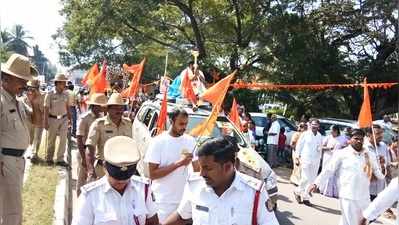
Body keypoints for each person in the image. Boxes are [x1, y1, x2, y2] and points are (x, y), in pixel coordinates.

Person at [163, 136, 280, 225]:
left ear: (228, 167)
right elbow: (181, 216)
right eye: (201, 167)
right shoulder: (195, 186)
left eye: (207, 168)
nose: (201, 173)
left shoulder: (255, 193)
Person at [72, 136, 159, 225]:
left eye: (126, 178)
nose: (121, 182)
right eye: (116, 178)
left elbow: (153, 221)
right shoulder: (90, 195)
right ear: (105, 167)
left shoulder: (143, 188)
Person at [309, 129, 386, 225]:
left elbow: (380, 176)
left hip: (364, 197)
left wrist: (382, 166)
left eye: (361, 139)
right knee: (351, 222)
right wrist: (316, 183)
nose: (359, 141)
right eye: (356, 138)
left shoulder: (370, 155)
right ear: (349, 140)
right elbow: (328, 170)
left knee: (356, 222)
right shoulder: (341, 153)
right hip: (348, 196)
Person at [0, 53, 39, 225]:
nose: (25, 85)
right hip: (4, 161)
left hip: (17, 161)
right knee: (11, 211)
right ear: (7, 78)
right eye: (21, 80)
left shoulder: (19, 102)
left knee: (12, 208)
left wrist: (35, 102)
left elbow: (36, 121)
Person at [144, 107, 197, 223]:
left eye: (186, 124)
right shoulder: (158, 142)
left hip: (185, 201)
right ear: (171, 121)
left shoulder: (191, 141)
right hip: (163, 201)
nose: (184, 127)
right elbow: (152, 174)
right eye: (181, 124)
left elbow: (197, 171)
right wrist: (179, 163)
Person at [85, 93, 133, 181]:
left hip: (123, 171)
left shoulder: (128, 124)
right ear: (108, 109)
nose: (119, 111)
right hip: (103, 170)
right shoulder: (99, 124)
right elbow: (90, 147)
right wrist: (91, 170)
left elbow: (131, 146)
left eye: (121, 108)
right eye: (115, 108)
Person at [76, 93, 107, 196]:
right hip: (84, 151)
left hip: (96, 153)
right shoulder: (85, 118)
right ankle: (80, 200)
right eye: (101, 105)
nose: (103, 107)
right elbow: (79, 139)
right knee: (82, 179)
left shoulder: (102, 118)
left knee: (94, 180)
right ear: (95, 106)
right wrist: (83, 158)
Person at [43, 73, 71, 166]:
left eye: (65, 83)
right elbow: (46, 108)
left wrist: (70, 119)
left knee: (63, 140)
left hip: (64, 118)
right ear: (57, 83)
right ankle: (49, 158)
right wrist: (45, 121)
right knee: (52, 139)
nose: (65, 85)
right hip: (52, 119)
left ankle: (60, 159)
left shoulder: (66, 94)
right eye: (63, 83)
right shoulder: (50, 94)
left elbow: (68, 107)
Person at [293, 119, 323, 206]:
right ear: (310, 125)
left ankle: (306, 198)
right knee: (305, 178)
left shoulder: (320, 136)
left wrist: (320, 158)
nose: (314, 126)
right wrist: (297, 157)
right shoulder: (305, 134)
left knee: (311, 180)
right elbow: (299, 146)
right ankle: (297, 191)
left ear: (318, 126)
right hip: (305, 159)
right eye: (312, 125)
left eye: (316, 125)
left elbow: (320, 148)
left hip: (316, 160)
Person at [364, 125, 391, 201]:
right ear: (369, 134)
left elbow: (388, 165)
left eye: (381, 133)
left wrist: (390, 181)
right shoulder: (363, 147)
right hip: (366, 189)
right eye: (378, 133)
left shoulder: (384, 146)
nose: (381, 136)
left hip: (380, 189)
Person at [23, 79, 45, 163]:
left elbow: (43, 109)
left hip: (39, 120)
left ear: (37, 87)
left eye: (33, 88)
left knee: (37, 138)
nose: (30, 90)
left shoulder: (42, 96)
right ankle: (29, 152)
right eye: (29, 88)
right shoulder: (26, 96)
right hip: (29, 120)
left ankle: (34, 154)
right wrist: (29, 99)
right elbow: (24, 106)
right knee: (29, 138)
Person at [320, 125, 343, 198]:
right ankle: (324, 190)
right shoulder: (328, 137)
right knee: (326, 172)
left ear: (336, 131)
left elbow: (346, 146)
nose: (331, 132)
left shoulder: (342, 138)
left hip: (337, 158)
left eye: (332, 131)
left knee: (334, 174)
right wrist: (328, 148)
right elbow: (321, 147)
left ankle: (334, 192)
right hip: (328, 157)